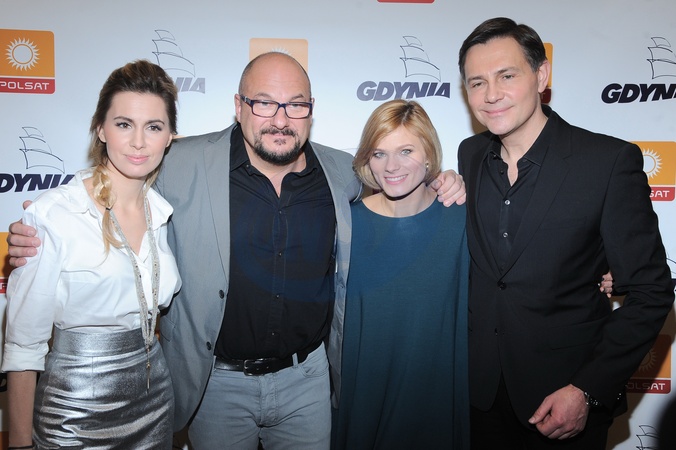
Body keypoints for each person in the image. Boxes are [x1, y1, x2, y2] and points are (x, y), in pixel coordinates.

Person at [6, 52, 466, 449]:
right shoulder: (182, 162)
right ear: (238, 106)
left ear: (311, 110)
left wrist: (443, 180)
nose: (280, 119)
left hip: (307, 382)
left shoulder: (341, 170)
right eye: (263, 102)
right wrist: (51, 218)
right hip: (215, 385)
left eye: (296, 104)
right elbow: (127, 168)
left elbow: (397, 179)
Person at [457, 17, 674, 450]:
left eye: (506, 76)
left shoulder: (606, 162)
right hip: (477, 396)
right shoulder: (470, 155)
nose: (491, 94)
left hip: (563, 397)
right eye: (477, 82)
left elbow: (651, 292)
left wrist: (586, 390)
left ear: (541, 75)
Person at [2, 60, 182, 449]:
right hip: (74, 410)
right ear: (101, 129)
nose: (138, 142)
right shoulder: (55, 215)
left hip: (154, 400)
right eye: (124, 124)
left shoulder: (162, 213)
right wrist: (19, 444)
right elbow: (23, 348)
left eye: (154, 127)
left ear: (170, 136)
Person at [333, 99, 469, 449]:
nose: (391, 166)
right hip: (362, 400)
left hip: (436, 402)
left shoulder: (462, 221)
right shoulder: (345, 224)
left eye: (406, 151)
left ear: (429, 155)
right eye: (379, 153)